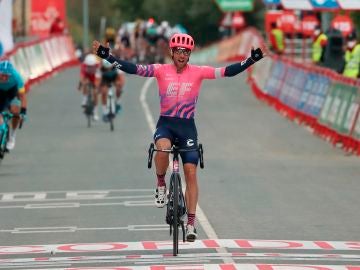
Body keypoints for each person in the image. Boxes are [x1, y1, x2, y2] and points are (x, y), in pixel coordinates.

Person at [92, 33, 264, 242]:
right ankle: (161, 183)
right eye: (178, 51)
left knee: (190, 173)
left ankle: (191, 223)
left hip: (187, 128)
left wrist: (251, 60)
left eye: (186, 52)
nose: (182, 55)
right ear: (171, 52)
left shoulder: (199, 72)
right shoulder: (160, 70)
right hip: (166, 124)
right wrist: (108, 57)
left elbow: (227, 71)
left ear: (190, 54)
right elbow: (133, 69)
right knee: (162, 147)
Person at [0, 60, 27, 150]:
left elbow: (22, 97)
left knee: (15, 112)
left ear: (11, 74)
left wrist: (23, 112)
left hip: (12, 92)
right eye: (2, 75)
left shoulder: (16, 77)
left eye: (7, 76)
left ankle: (12, 136)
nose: (4, 77)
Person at [79, 54, 101, 121]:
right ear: (86, 65)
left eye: (92, 66)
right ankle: (85, 99)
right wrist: (82, 83)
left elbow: (98, 79)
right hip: (87, 76)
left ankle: (95, 112)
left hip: (94, 77)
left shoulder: (98, 66)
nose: (91, 68)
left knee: (95, 93)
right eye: (89, 66)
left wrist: (97, 86)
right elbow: (82, 77)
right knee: (85, 83)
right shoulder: (83, 66)